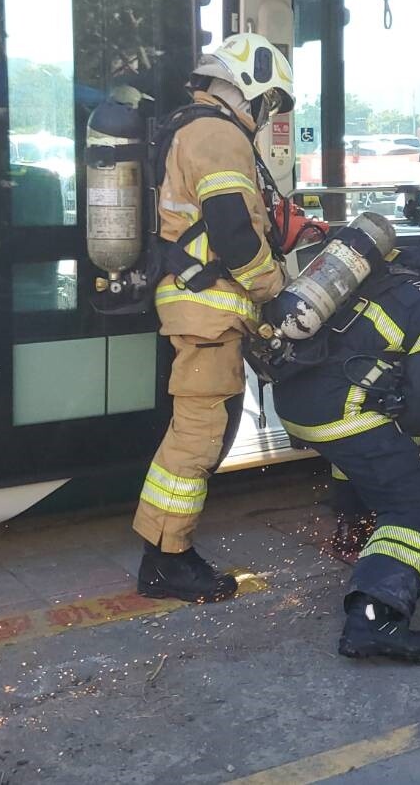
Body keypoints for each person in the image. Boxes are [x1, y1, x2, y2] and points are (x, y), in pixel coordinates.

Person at [270, 224, 420, 664]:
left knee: (371, 453)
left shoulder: (389, 273)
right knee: (419, 507)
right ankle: (375, 619)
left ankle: (355, 526)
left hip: (295, 399)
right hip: (340, 412)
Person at [132, 33, 293, 604]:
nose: (266, 116)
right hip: (206, 311)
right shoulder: (217, 133)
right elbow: (231, 227)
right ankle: (166, 560)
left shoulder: (193, 128)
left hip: (203, 309)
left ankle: (166, 552)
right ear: (247, 84)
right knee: (197, 436)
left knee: (209, 430)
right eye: (268, 103)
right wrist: (274, 289)